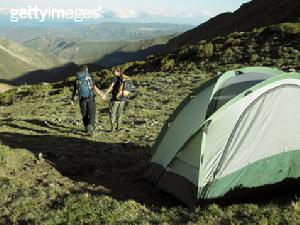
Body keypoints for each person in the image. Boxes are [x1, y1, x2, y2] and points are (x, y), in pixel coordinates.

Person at [71, 65, 105, 136]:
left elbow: (75, 90)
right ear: (86, 70)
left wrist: (72, 99)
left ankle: (86, 128)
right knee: (92, 113)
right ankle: (90, 127)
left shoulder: (77, 79)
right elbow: (94, 87)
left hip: (81, 99)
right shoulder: (88, 77)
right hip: (90, 98)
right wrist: (101, 95)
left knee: (84, 114)